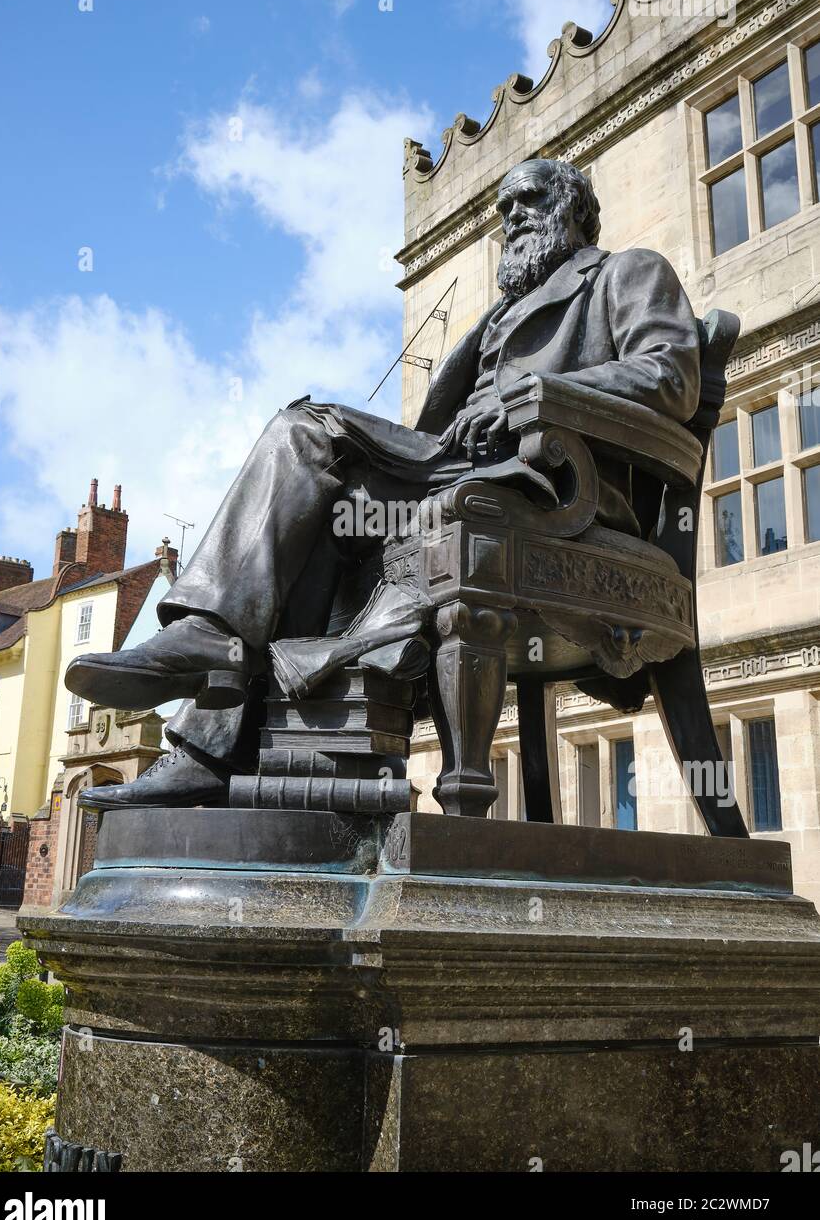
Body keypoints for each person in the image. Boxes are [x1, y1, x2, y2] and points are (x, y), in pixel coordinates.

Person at [67, 157, 700, 808]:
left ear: (573, 208)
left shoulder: (627, 272)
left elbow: (673, 377)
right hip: (458, 471)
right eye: (503, 208)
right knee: (316, 498)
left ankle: (210, 647)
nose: (511, 216)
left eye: (529, 200)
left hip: (558, 486)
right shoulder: (498, 316)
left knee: (306, 432)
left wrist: (531, 395)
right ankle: (210, 744)